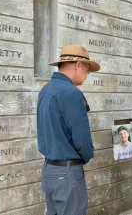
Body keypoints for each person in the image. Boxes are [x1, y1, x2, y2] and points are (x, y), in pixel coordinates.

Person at [37, 45, 100, 215]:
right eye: (88, 70)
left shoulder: (45, 90)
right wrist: (87, 155)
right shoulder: (71, 93)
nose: (87, 76)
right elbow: (81, 139)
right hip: (67, 173)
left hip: (49, 170)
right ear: (78, 64)